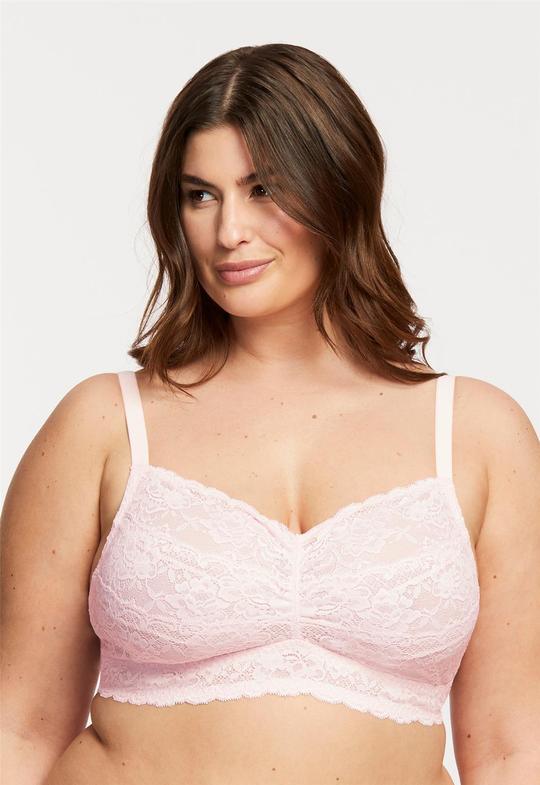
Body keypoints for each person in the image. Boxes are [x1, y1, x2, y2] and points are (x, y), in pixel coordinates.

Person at [2, 43, 539, 785]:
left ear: (339, 188)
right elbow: (20, 726)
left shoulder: (478, 435)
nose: (229, 231)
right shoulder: (102, 425)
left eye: (264, 189)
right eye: (200, 195)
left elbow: (512, 748)